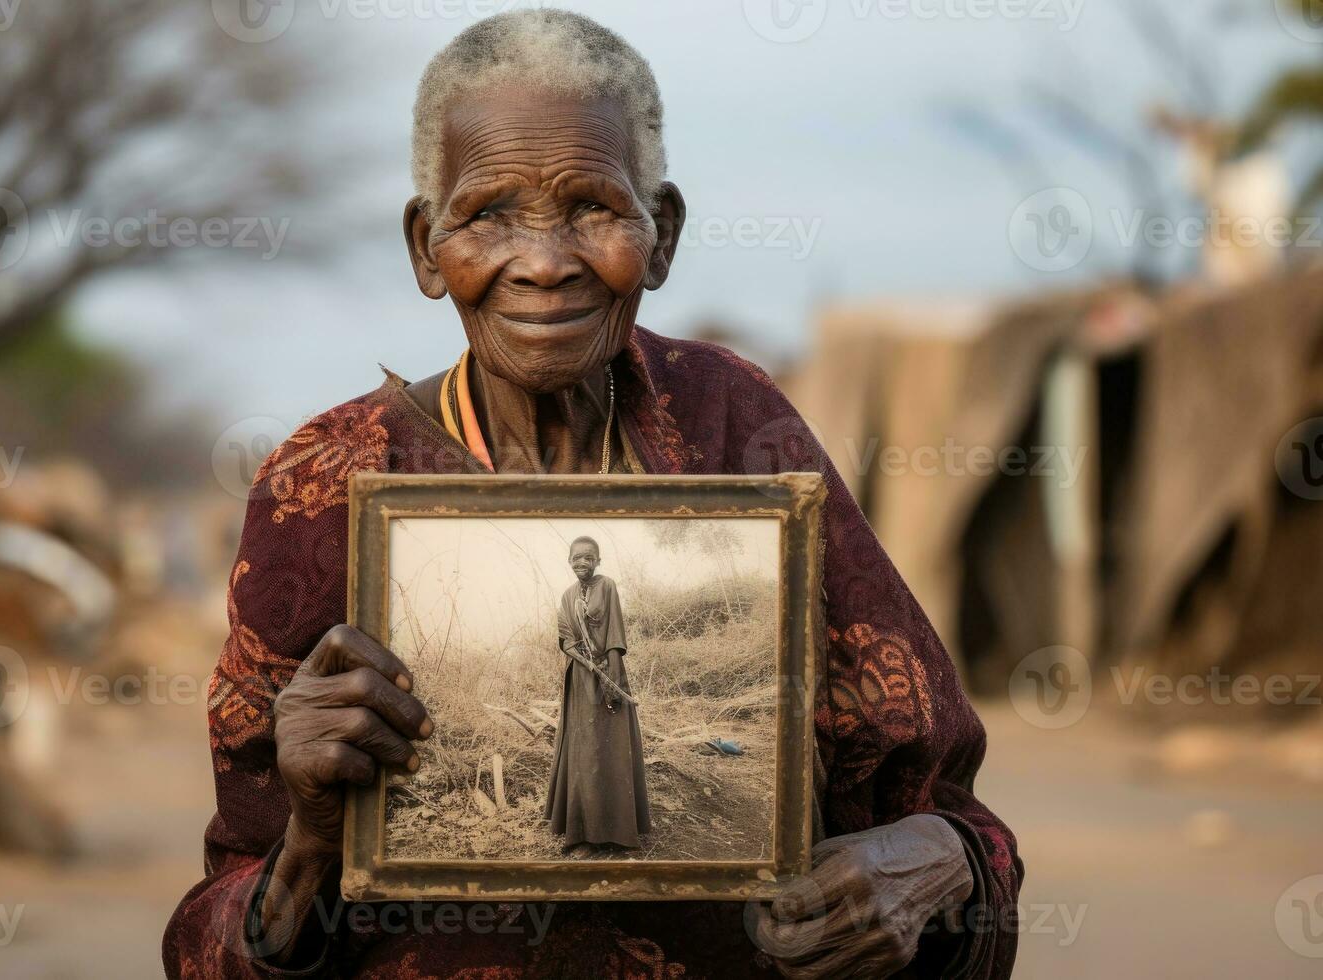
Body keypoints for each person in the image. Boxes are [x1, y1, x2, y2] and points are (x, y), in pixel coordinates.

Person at [163, 10, 1021, 978]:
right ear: (424, 245)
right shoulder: (323, 481)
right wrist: (312, 841)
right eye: (487, 212)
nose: (542, 261)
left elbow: (951, 816)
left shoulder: (739, 427)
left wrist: (928, 865)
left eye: (592, 208)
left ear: (663, 236)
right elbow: (212, 942)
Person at [544, 536, 650, 855]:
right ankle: (584, 836)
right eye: (576, 557)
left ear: (598, 561)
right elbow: (565, 640)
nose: (582, 562)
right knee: (585, 753)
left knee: (612, 751)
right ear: (569, 560)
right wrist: (582, 659)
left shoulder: (608, 586)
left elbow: (615, 634)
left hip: (609, 673)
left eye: (589, 557)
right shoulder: (566, 597)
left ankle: (619, 834)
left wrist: (612, 680)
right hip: (580, 680)